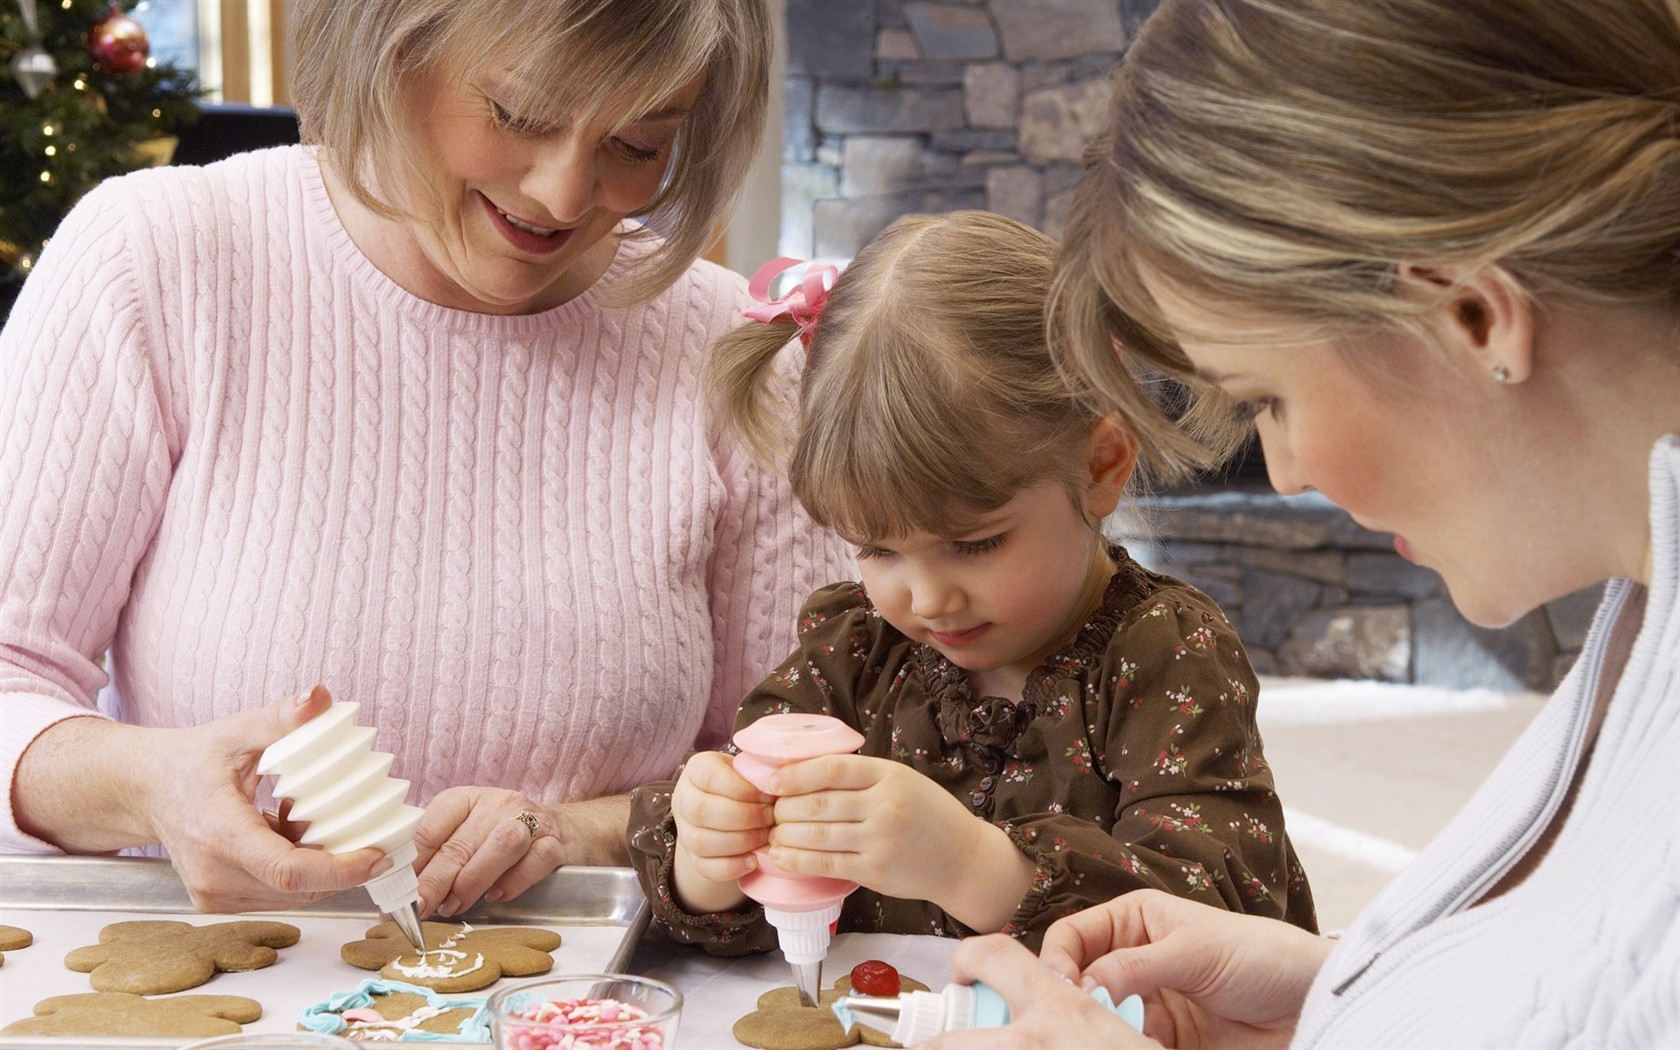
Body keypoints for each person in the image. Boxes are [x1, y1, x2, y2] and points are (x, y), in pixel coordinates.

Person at [927, 0, 1680, 1046]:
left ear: (1469, 313)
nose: (1284, 474)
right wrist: (1340, 994)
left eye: (1268, 398)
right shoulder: (1648, 605)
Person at [0, 0, 852, 921]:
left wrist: (584, 831)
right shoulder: (159, 261)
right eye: (520, 115)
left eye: (638, 145)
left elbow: (788, 764)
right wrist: (148, 785)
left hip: (602, 1001)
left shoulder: (732, 350)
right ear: (390, 50)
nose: (566, 194)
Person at [626, 210, 1317, 955]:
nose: (926, 601)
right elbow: (748, 914)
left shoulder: (1165, 655)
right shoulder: (857, 650)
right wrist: (712, 856)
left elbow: (1220, 915)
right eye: (877, 550)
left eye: (974, 544)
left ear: (1102, 465)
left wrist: (972, 864)